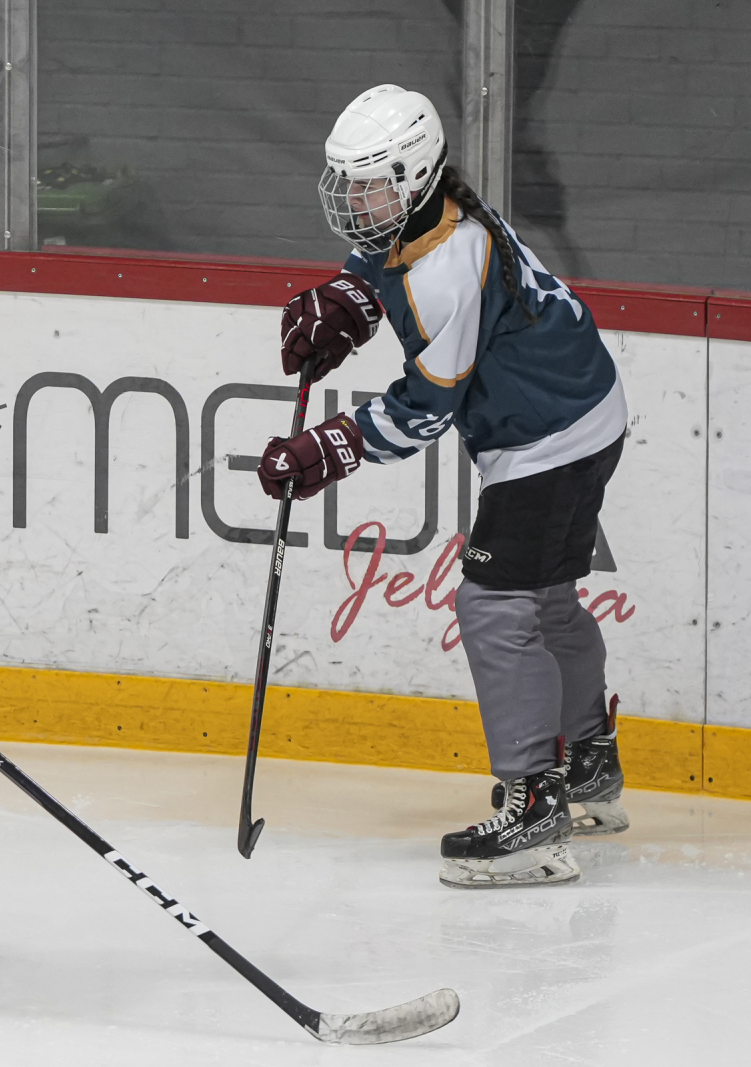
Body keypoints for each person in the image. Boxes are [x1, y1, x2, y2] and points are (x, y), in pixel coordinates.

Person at [255, 84, 628, 889]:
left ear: (412, 175)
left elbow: (423, 413)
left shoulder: (449, 271)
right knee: (547, 601)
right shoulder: (438, 211)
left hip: (549, 443)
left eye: (367, 184)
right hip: (586, 411)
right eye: (346, 181)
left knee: (493, 606)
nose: (351, 200)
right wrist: (349, 300)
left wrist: (329, 446)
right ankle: (589, 760)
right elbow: (384, 256)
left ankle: (535, 810)